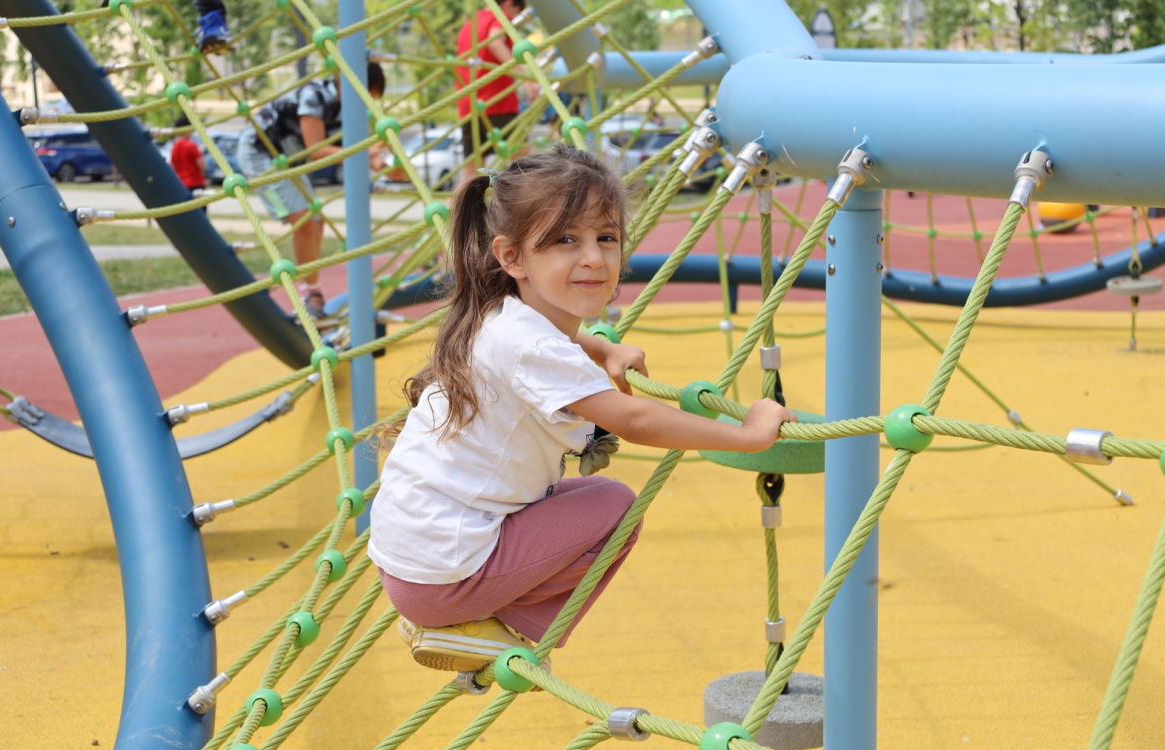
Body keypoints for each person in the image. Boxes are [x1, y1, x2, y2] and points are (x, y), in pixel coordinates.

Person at [368, 146, 797, 674]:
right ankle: (488, 630)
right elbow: (634, 420)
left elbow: (551, 342)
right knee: (616, 508)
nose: (593, 257)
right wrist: (748, 434)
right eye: (565, 240)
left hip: (411, 562)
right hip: (445, 578)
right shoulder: (534, 346)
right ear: (511, 257)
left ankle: (458, 621)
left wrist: (602, 349)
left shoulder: (496, 313)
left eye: (606, 238)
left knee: (587, 496)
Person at [237, 63, 386, 318]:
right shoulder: (315, 96)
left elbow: (360, 152)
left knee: (316, 221)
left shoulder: (345, 108)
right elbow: (316, 150)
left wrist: (386, 166)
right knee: (303, 220)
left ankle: (312, 290)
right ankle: (310, 294)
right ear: (350, 86)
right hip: (260, 154)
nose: (367, 106)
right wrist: (366, 152)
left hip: (289, 159)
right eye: (366, 97)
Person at [454, 0, 528, 182]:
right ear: (509, 4)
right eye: (516, 12)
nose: (513, 18)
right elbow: (495, 42)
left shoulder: (471, 23)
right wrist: (524, 78)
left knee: (471, 174)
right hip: (497, 102)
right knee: (523, 164)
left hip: (469, 105)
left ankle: (460, 201)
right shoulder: (500, 16)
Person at [169, 114, 207, 207]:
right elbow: (202, 166)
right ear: (187, 129)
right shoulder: (191, 145)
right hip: (195, 183)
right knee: (199, 211)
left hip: (181, 184)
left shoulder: (174, 146)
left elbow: (172, 166)